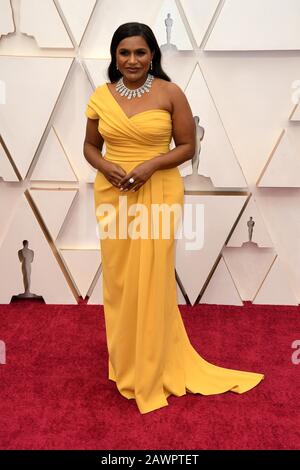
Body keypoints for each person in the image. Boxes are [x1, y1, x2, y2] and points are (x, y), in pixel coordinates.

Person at [83, 22, 264, 414]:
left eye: (140, 52)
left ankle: (152, 363)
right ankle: (125, 361)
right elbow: (89, 146)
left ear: (153, 55)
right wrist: (107, 166)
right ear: (114, 57)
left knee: (152, 275)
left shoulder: (170, 93)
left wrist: (149, 166)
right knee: (119, 277)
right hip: (113, 194)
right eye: (124, 53)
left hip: (159, 190)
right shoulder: (101, 95)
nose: (132, 60)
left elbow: (187, 146)